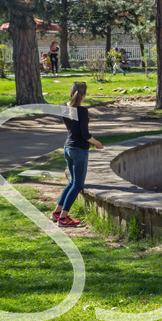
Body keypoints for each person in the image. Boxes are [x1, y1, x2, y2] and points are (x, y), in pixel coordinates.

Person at [52, 82, 104, 227]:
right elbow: (85, 134)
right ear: (85, 95)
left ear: (71, 93)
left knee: (72, 182)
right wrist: (97, 143)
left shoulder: (64, 107)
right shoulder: (82, 111)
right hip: (79, 150)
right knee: (77, 185)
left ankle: (57, 212)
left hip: (67, 148)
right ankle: (63, 218)